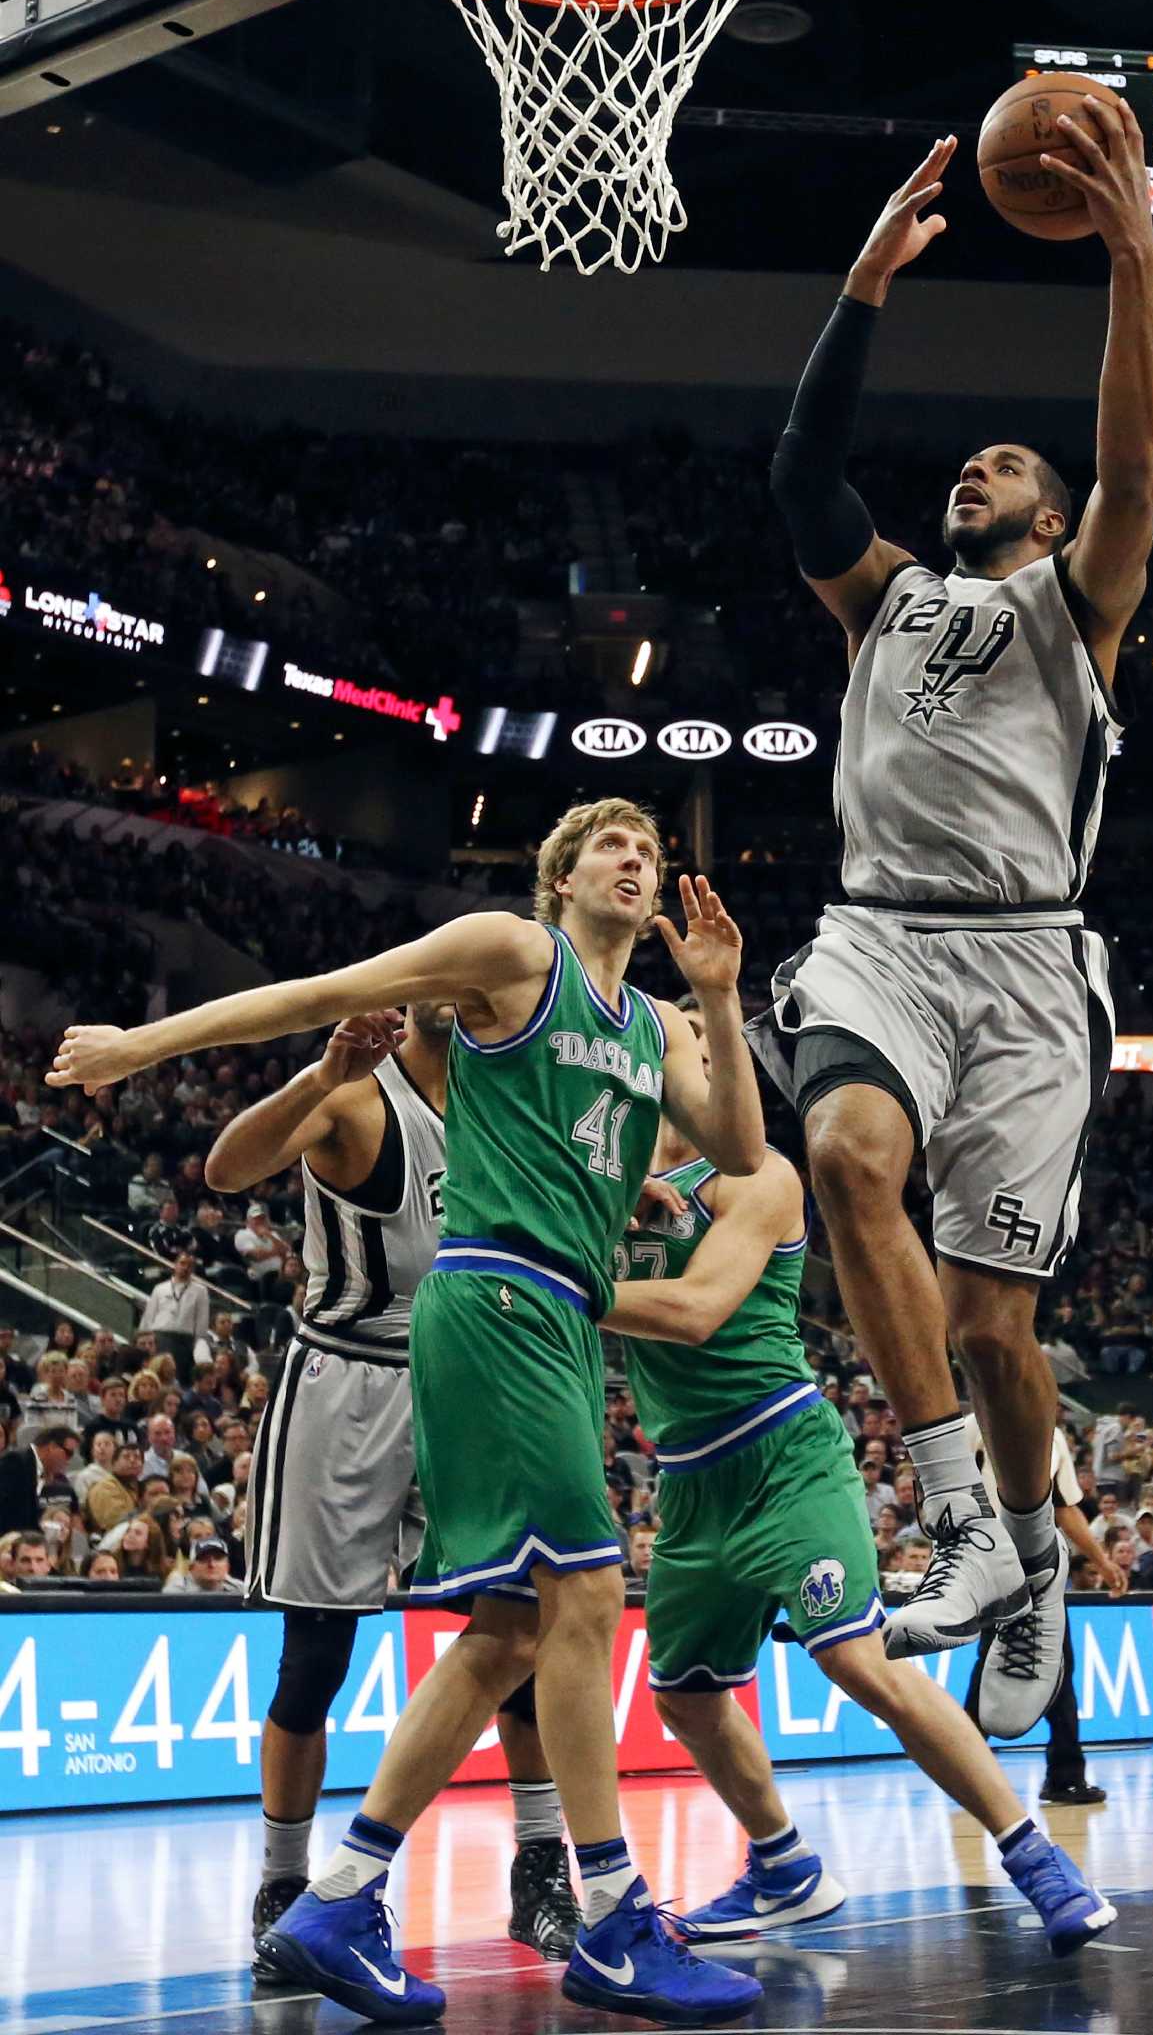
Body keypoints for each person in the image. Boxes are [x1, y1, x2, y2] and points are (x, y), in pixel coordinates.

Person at [47, 796, 767, 2028]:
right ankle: (608, 1917)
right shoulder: (511, 953)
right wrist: (137, 1047)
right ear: (560, 878)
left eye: (651, 850)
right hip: (489, 1298)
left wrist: (715, 999)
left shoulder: (650, 1020)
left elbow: (743, 1147)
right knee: (581, 1597)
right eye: (611, 844)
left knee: (510, 1627)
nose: (638, 860)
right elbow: (317, 989)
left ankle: (340, 1897)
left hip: (554, 1314)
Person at [750, 107, 1153, 1738]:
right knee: (845, 1157)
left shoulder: (1072, 604)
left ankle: (1029, 1560)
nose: (970, 468)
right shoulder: (883, 601)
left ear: (1051, 522)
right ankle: (951, 1528)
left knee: (997, 1324)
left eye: (1004, 465)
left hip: (1025, 962)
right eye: (967, 461)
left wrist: (1128, 252)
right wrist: (864, 279)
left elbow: (1130, 462)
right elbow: (798, 473)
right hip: (873, 933)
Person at [599, 1000, 1116, 1957]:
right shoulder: (610, 1175)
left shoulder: (756, 1173)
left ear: (703, 1057)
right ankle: (784, 1867)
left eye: (664, 1026)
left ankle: (1038, 1859)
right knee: (685, 1696)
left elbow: (698, 1309)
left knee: (855, 1658)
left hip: (784, 1452)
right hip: (691, 1480)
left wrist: (566, 1282)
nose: (636, 1035)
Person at [203, 1002, 582, 1974]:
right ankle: (285, 1881)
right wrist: (318, 1073)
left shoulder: (505, 1101)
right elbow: (224, 1168)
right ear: (414, 994)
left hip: (465, 1370)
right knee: (315, 1658)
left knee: (518, 1634)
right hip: (347, 1376)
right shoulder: (358, 1098)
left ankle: (539, 1869)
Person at [963, 1414, 1123, 1805]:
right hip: (994, 1562)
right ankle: (972, 1764)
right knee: (1002, 1662)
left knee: (1046, 1665)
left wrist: (1102, 1561)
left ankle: (1053, 1774)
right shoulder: (972, 1428)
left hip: (1042, 1568)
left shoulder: (1052, 1437)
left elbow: (1064, 1507)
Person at [0, 1426, 79, 1533]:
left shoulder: (39, 1470)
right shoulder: (16, 1461)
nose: (68, 1461)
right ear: (52, 1447)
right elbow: (8, 1512)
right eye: (68, 1453)